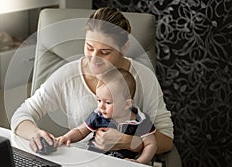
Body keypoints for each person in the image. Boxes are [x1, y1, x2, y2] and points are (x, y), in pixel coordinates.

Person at [11, 7, 173, 155]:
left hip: (128, 166)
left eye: (105, 52)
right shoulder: (69, 75)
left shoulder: (143, 76)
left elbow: (166, 140)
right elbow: (21, 114)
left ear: (124, 48)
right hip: (80, 161)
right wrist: (35, 134)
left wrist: (127, 141)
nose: (94, 59)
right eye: (89, 48)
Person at [57, 68, 157, 164]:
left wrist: (139, 162)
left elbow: (150, 144)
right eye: (99, 100)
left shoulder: (141, 121)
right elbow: (80, 131)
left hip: (123, 166)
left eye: (108, 102)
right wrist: (67, 137)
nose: (101, 106)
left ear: (127, 104)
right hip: (93, 160)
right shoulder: (98, 115)